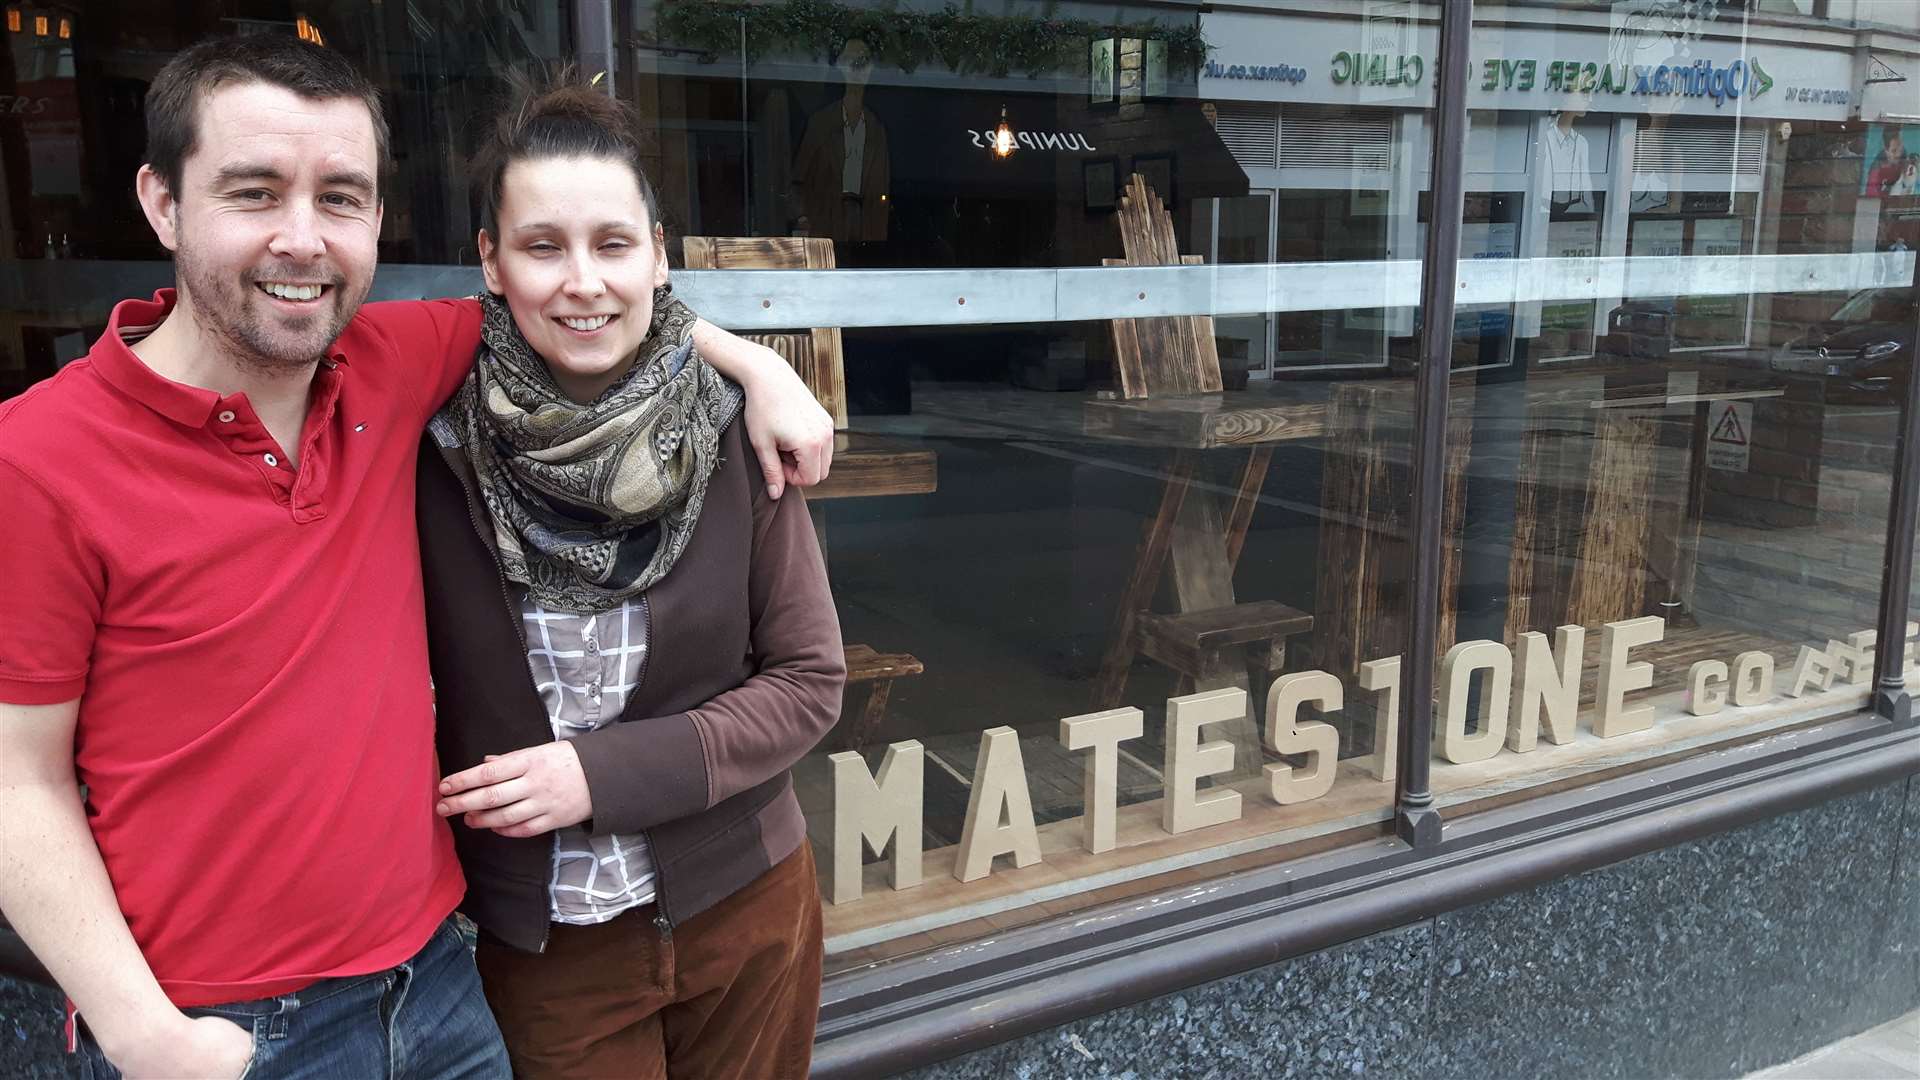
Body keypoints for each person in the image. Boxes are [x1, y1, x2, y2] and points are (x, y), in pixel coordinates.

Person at [0, 35, 832, 1080]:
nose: (301, 239)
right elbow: (13, 781)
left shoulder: (395, 377)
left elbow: (603, 320)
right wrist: (140, 1031)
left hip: (443, 986)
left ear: (377, 220)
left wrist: (758, 366)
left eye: (340, 197)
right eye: (254, 192)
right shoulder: (43, 456)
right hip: (233, 1022)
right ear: (162, 204)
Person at [418, 81, 843, 1079]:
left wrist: (596, 776)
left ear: (657, 252)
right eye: (541, 247)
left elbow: (809, 683)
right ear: (491, 260)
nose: (582, 283)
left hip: (746, 903)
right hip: (552, 947)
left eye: (612, 246)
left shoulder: (732, 430)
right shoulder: (431, 446)